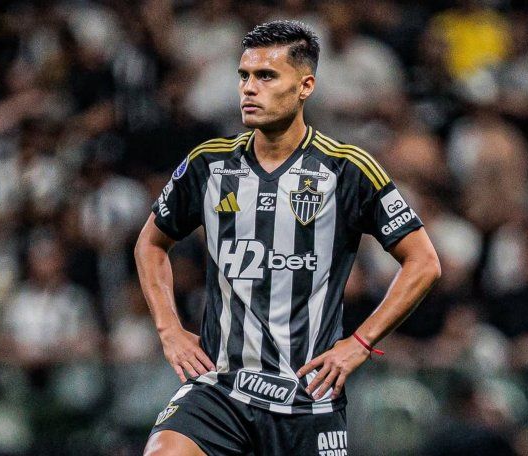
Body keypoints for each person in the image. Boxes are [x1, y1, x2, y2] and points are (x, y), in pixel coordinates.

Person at [135, 20, 441, 456]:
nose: (249, 88)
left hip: (307, 399)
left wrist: (359, 344)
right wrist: (169, 329)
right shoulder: (209, 164)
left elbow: (424, 262)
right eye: (244, 76)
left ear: (305, 86)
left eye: (266, 76)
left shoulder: (347, 169)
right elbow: (150, 243)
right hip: (220, 389)